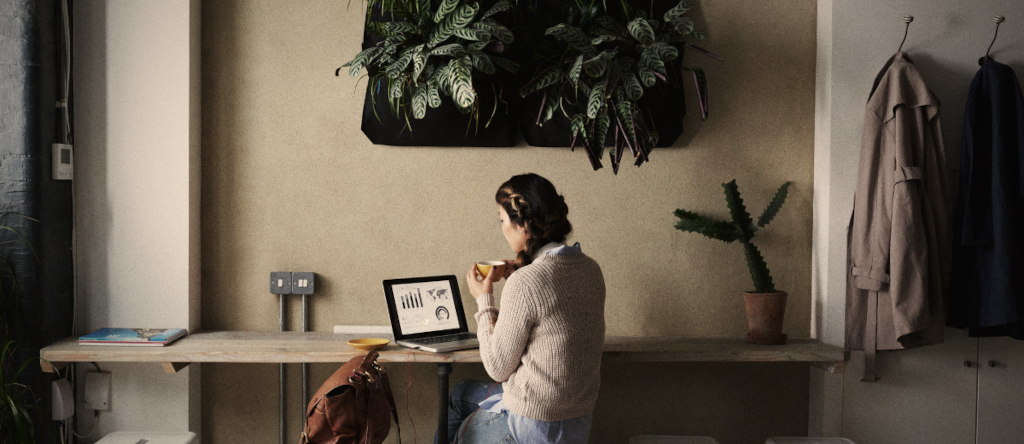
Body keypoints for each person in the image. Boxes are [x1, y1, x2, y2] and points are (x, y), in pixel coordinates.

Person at [436, 173, 606, 444]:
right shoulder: (590, 269)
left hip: (531, 425)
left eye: (502, 220)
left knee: (454, 418)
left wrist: (484, 300)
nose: (502, 227)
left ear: (523, 227)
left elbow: (497, 368)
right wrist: (522, 269)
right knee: (460, 393)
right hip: (576, 422)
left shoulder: (525, 282)